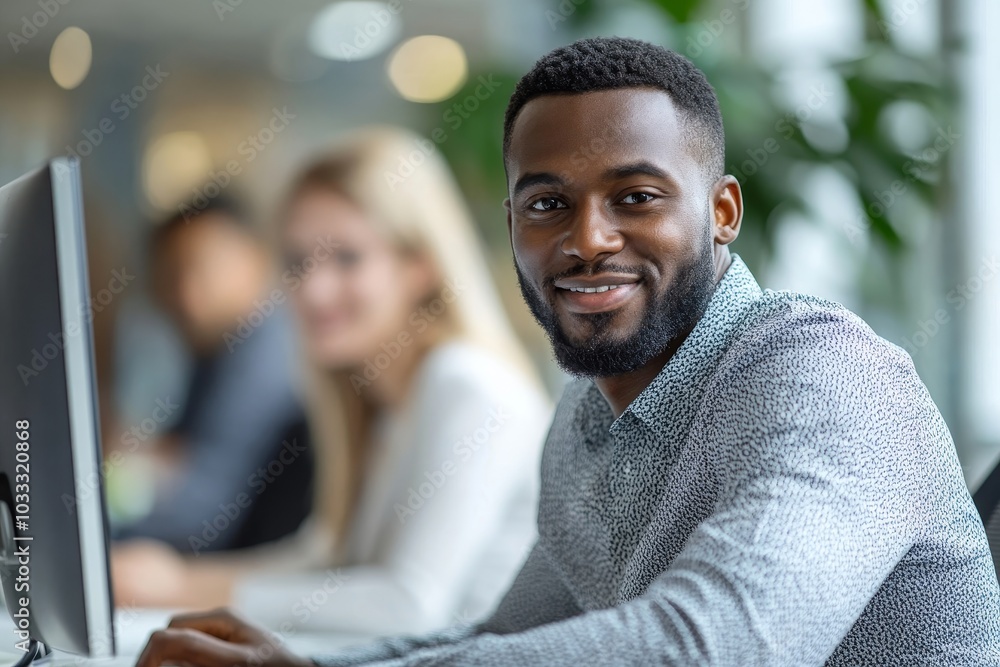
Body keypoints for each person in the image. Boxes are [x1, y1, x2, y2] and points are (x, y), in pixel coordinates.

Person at [134, 37, 1000, 667]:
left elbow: (716, 645)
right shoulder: (585, 420)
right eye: (546, 204)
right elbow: (498, 641)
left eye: (636, 195)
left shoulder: (825, 373)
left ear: (723, 212)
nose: (588, 239)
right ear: (510, 227)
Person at [114, 127, 552, 638]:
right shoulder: (383, 401)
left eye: (347, 257)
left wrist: (187, 592)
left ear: (419, 267)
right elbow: (329, 557)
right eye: (298, 262)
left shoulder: (467, 385)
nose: (314, 291)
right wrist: (174, 581)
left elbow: (407, 604)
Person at [113, 196, 311, 554]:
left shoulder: (267, 354)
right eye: (171, 275)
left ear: (256, 259)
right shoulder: (218, 349)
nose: (188, 295)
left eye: (204, 269)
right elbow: (187, 455)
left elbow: (204, 511)